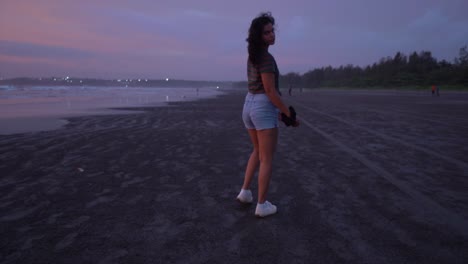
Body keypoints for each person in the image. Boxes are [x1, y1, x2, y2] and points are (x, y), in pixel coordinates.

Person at [236, 12, 299, 218]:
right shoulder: (266, 58)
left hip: (249, 104)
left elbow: (263, 90)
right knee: (267, 158)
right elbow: (270, 92)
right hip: (262, 105)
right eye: (267, 32)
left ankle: (245, 192)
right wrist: (287, 113)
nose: (272, 35)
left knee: (257, 150)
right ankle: (262, 205)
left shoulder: (253, 55)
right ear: (258, 35)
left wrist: (278, 113)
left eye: (272, 31)